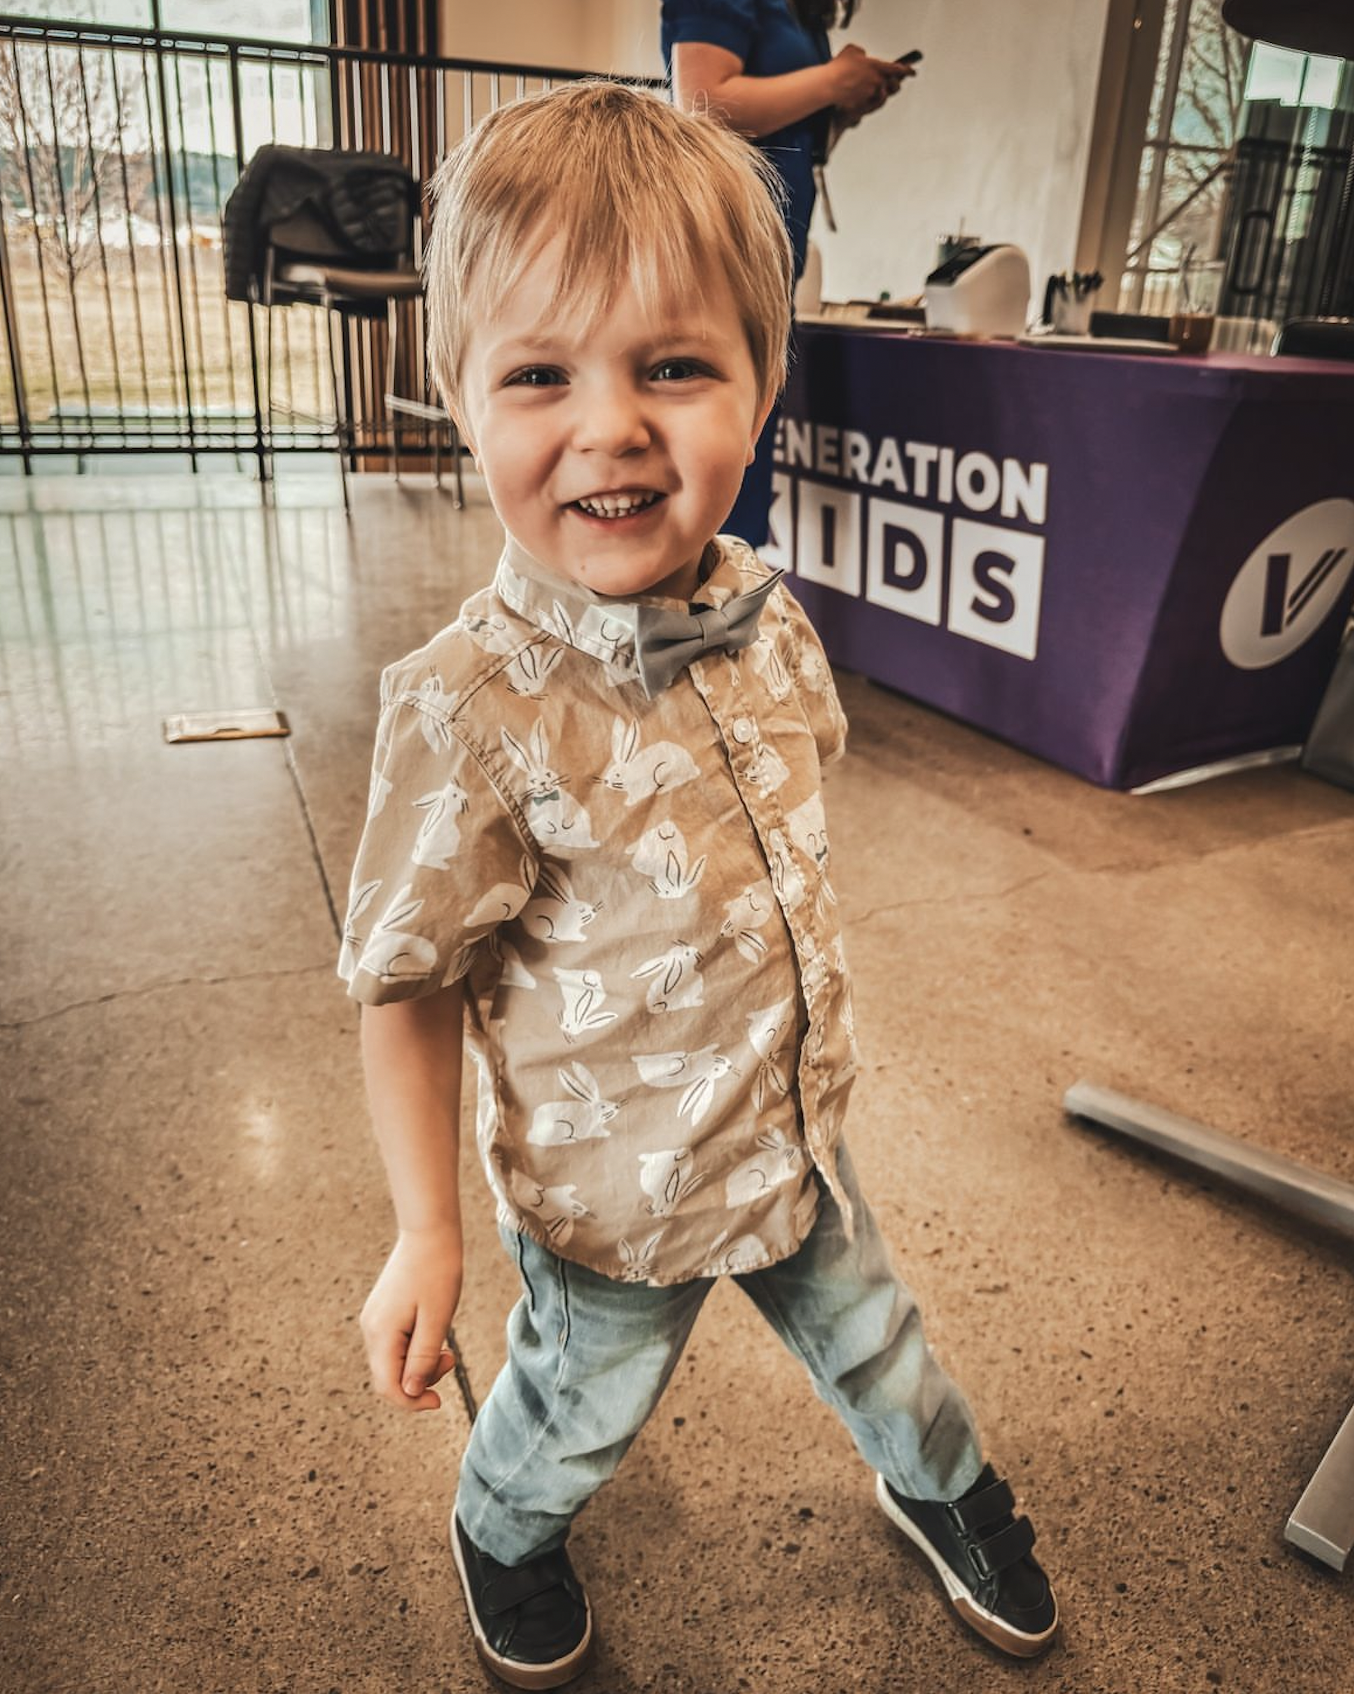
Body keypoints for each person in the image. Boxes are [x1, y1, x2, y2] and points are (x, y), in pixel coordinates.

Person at [341, 81, 1058, 1692]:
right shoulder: (470, 706)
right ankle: (502, 1524)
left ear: (761, 381)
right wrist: (421, 1231)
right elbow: (405, 977)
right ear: (459, 396)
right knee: (577, 1403)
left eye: (672, 365)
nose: (609, 426)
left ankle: (938, 1480)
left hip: (792, 1123)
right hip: (610, 1193)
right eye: (540, 374)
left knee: (879, 1330)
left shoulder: (777, 621)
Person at [663, 0, 911, 545]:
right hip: (718, 262)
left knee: (743, 484)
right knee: (712, 486)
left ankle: (722, 610)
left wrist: (840, 106)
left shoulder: (801, 13)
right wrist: (829, 82)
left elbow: (789, 148)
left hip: (774, 271)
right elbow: (702, 103)